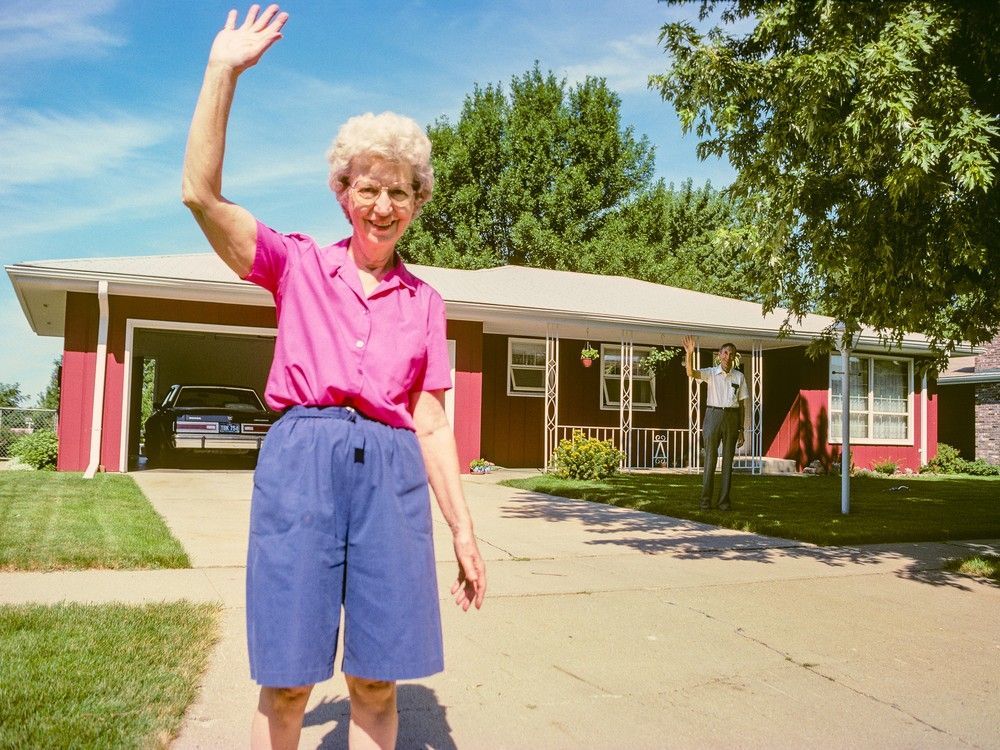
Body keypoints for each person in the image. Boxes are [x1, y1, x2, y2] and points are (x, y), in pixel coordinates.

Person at [181, 6, 486, 749]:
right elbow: (200, 195)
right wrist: (222, 72)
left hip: (391, 473)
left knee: (378, 681)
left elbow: (432, 421)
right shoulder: (296, 266)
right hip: (302, 463)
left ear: (417, 204)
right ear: (342, 192)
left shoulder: (427, 304)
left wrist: (464, 529)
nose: (383, 206)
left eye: (401, 191)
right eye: (368, 187)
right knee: (287, 681)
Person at [682, 335, 749, 511]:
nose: (728, 356)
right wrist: (689, 354)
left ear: (734, 357)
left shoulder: (739, 377)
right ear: (719, 355)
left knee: (728, 462)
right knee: (710, 459)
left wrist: (741, 429)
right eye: (725, 353)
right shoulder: (711, 373)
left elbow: (742, 405)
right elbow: (691, 373)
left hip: (732, 418)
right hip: (713, 415)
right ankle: (705, 502)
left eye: (731, 354)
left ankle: (724, 503)